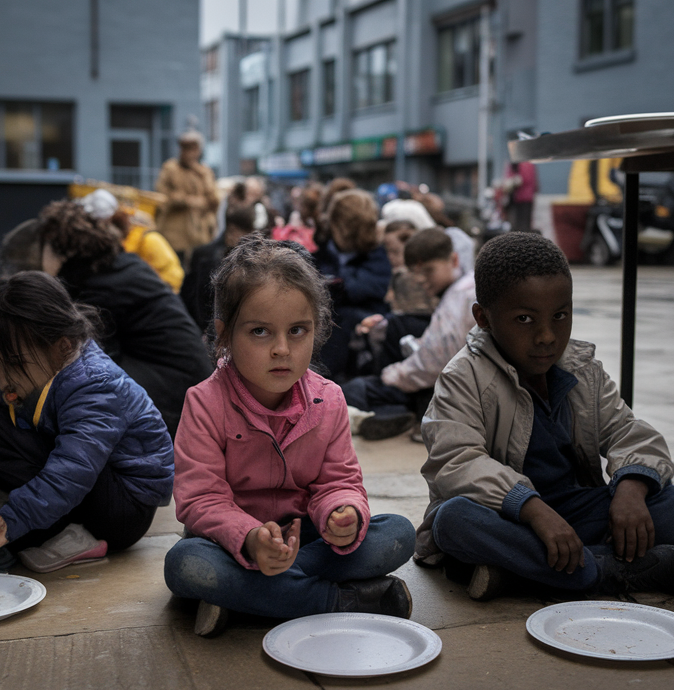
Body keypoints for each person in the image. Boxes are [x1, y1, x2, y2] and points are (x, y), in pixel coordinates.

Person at [414, 232, 674, 601]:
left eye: (560, 316)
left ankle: (520, 574)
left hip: (571, 512)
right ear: (484, 318)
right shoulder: (464, 377)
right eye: (524, 319)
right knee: (454, 521)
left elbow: (629, 431)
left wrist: (631, 487)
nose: (547, 336)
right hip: (506, 516)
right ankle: (606, 572)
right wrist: (531, 509)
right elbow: (456, 462)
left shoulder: (583, 371)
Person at [164, 236, 416, 637]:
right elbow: (201, 499)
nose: (282, 349)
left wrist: (342, 513)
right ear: (224, 334)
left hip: (309, 537)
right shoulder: (204, 402)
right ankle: (338, 601)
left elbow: (339, 481)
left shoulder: (329, 399)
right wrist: (250, 539)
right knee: (186, 564)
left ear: (316, 331)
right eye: (260, 332)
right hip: (228, 543)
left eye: (297, 330)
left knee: (398, 533)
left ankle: (253, 596)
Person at [0, 271, 174, 578]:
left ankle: (24, 537)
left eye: (12, 364)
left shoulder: (96, 387)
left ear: (61, 346)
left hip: (123, 514)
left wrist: (10, 524)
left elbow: (71, 470)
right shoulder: (47, 370)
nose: (0, 377)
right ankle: (24, 521)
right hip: (92, 491)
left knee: (53, 463)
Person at [37, 200, 213, 437]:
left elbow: (99, 367)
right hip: (192, 388)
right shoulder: (119, 266)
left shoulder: (96, 287)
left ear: (59, 248)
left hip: (173, 400)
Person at [344, 227, 476, 441]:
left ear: (453, 260)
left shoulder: (461, 295)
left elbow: (434, 363)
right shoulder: (461, 289)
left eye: (429, 270)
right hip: (445, 383)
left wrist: (393, 374)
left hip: (447, 388)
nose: (422, 279)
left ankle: (383, 415)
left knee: (355, 389)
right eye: (417, 274)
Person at [313, 189, 392, 381]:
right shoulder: (322, 252)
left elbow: (364, 288)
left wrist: (337, 282)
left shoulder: (379, 255)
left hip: (360, 337)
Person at [181, 200, 257, 334]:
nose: (252, 238)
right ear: (233, 231)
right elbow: (200, 301)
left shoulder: (207, 254)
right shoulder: (210, 258)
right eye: (249, 232)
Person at [154, 130, 220, 262]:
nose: (190, 153)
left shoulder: (204, 171)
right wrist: (186, 200)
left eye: (194, 149)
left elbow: (214, 199)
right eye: (186, 149)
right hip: (175, 234)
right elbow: (162, 195)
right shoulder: (170, 168)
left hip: (200, 236)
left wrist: (203, 176)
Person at [501, 159, 538, 233]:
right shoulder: (514, 163)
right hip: (515, 199)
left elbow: (525, 179)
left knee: (523, 225)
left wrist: (512, 182)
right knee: (515, 224)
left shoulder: (527, 163)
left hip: (525, 199)